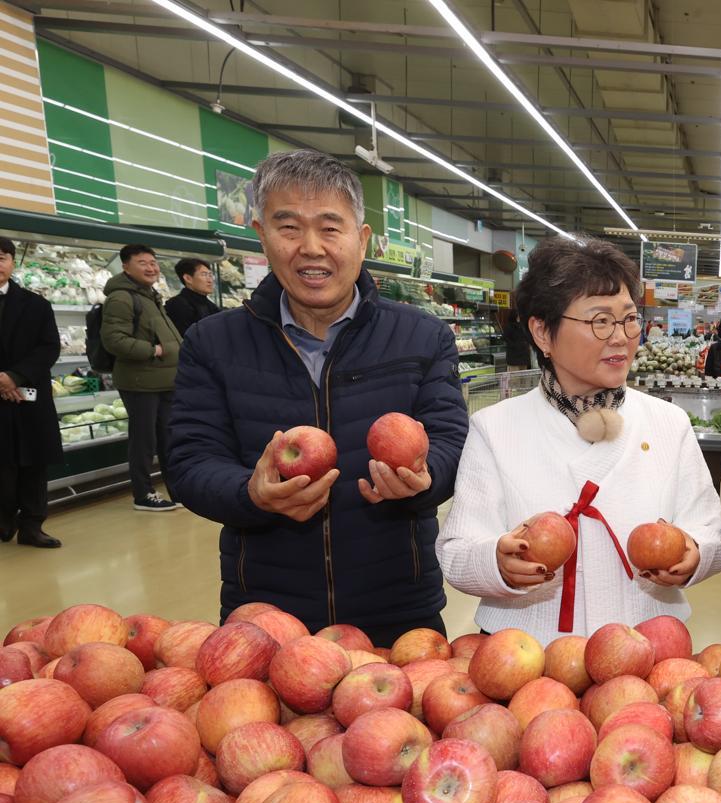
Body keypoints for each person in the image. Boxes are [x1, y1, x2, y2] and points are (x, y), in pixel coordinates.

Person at [167, 150, 468, 646]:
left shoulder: (421, 337)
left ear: (361, 239)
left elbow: (452, 439)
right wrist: (252, 494)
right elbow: (189, 462)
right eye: (288, 228)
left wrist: (424, 475)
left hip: (397, 611)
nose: (311, 248)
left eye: (331, 228)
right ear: (262, 235)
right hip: (267, 617)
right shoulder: (212, 343)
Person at [438, 237, 721, 641]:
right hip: (528, 656)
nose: (621, 337)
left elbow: (714, 533)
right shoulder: (496, 427)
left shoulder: (668, 423)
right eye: (600, 321)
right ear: (542, 332)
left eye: (629, 319)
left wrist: (695, 553)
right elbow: (456, 550)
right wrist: (497, 562)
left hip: (645, 648)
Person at [101, 243, 183, 513]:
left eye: (153, 262)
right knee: (144, 440)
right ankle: (143, 493)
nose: (151, 268)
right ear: (125, 266)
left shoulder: (149, 295)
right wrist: (152, 350)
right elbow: (113, 340)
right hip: (140, 381)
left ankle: (178, 488)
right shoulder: (122, 298)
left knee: (168, 439)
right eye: (142, 262)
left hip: (164, 381)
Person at [0, 236, 64, 548]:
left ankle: (33, 526)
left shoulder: (36, 304)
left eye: (2, 257)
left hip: (30, 395)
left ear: (12, 262)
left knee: (34, 463)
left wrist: (14, 376)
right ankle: (3, 521)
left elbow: (49, 346)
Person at [165, 259, 220, 338]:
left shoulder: (210, 305)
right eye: (204, 274)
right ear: (188, 278)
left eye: (210, 275)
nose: (210, 280)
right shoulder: (178, 304)